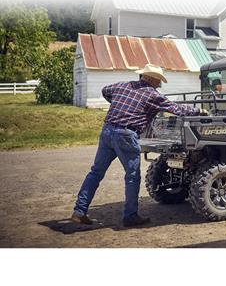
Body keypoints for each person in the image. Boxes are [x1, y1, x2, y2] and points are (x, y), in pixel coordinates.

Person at [71, 64, 208, 227]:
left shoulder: (121, 85)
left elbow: (105, 90)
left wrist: (118, 105)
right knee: (132, 176)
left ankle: (79, 211)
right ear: (151, 78)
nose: (160, 84)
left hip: (107, 131)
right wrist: (199, 111)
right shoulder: (152, 94)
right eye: (159, 81)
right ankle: (130, 216)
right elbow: (176, 109)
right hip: (126, 135)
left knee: (96, 172)